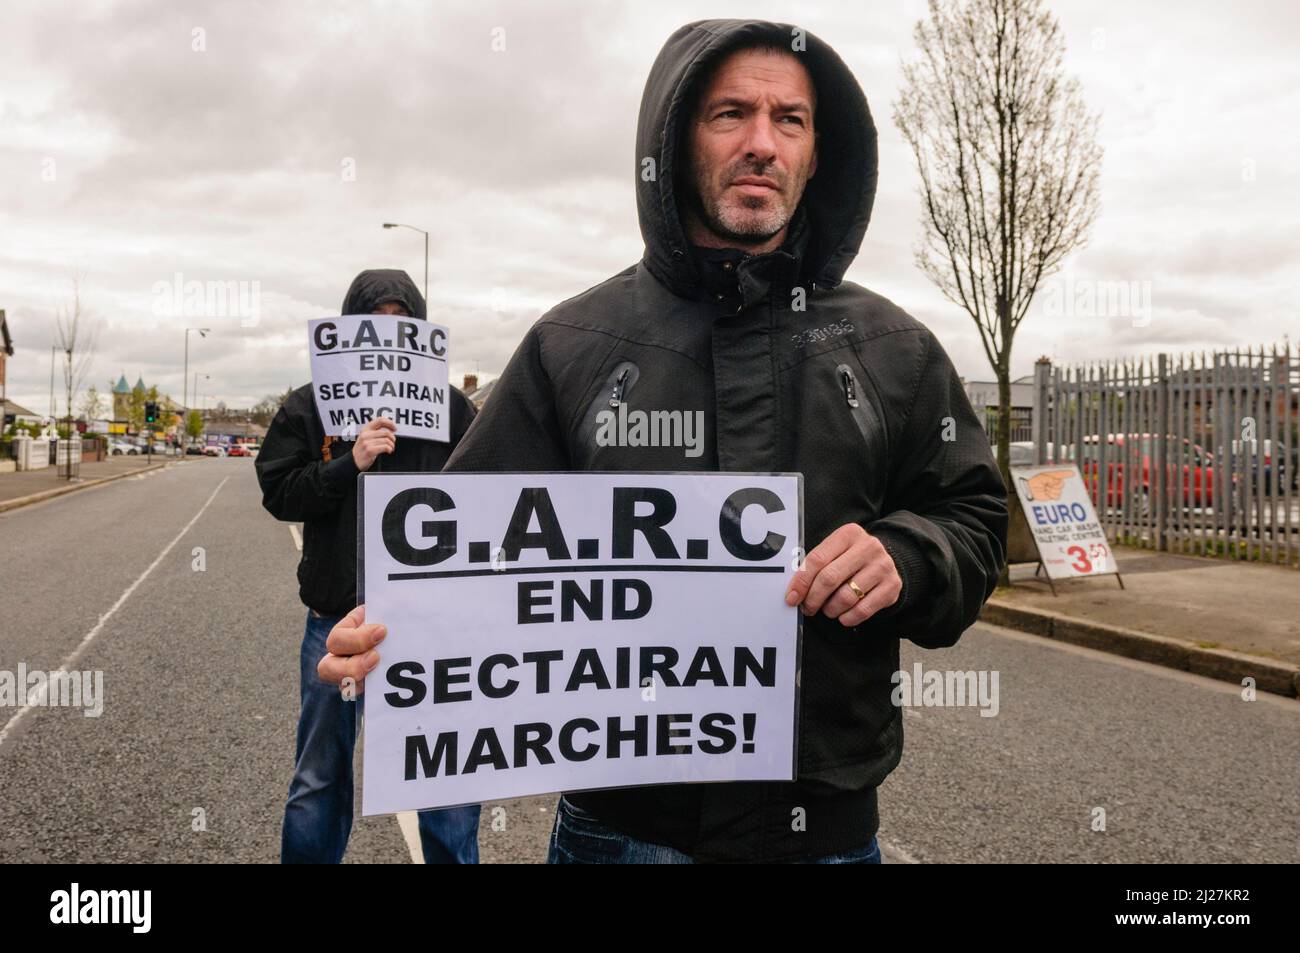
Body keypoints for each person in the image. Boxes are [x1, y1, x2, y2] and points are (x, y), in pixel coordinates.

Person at [320, 20, 1007, 863]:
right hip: (620, 832)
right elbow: (461, 555)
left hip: (824, 831)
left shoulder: (895, 349)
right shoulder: (569, 345)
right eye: (730, 114)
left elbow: (974, 519)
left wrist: (910, 552)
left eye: (789, 120)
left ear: (819, 153)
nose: (762, 142)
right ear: (675, 142)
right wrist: (390, 631)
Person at [256, 268, 481, 864]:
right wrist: (347, 462)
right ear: (348, 333)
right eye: (373, 329)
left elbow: (495, 495)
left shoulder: (455, 410)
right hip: (336, 621)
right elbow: (279, 493)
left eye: (401, 329)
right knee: (320, 776)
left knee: (448, 779)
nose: (387, 344)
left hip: (433, 626)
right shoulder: (310, 408)